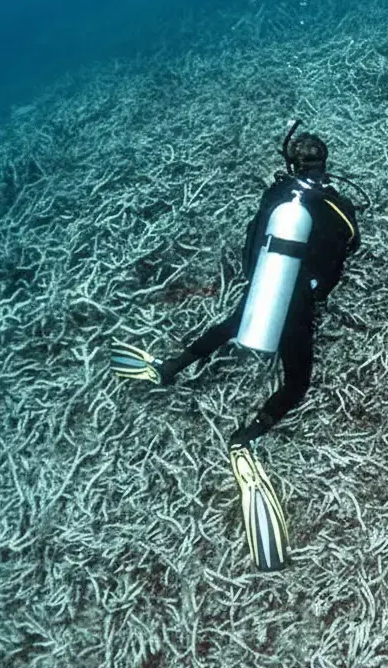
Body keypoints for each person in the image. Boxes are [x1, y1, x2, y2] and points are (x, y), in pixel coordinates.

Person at [111, 124, 364, 571]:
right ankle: (245, 440)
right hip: (298, 304)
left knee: (231, 325)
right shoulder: (338, 206)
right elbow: (349, 247)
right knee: (298, 383)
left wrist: (261, 285)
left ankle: (170, 368)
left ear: (291, 165)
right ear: (326, 165)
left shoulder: (277, 197)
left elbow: (251, 246)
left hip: (262, 290)